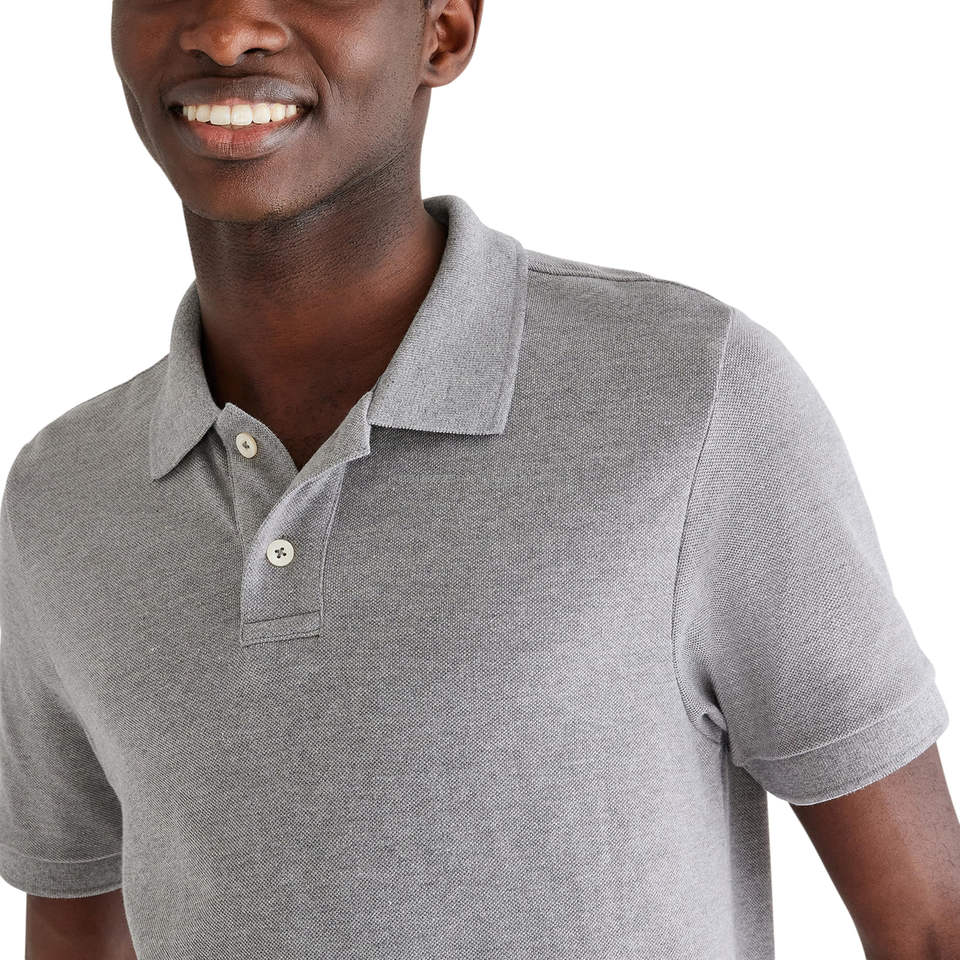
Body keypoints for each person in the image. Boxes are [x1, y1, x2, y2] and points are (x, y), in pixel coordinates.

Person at [1, 1, 957, 958]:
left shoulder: (692, 399)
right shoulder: (62, 500)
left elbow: (926, 925)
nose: (227, 29)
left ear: (445, 31)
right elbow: (76, 934)